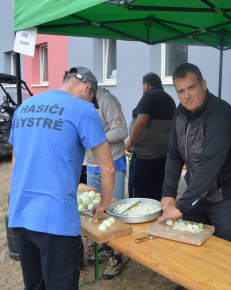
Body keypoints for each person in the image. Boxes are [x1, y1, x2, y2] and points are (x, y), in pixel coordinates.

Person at [8, 67, 115, 289]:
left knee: (35, 285)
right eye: (91, 97)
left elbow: (15, 164)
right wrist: (103, 203)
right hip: (55, 221)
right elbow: (108, 168)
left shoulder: (24, 107)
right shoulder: (84, 110)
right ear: (87, 87)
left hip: (20, 216)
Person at [159, 63, 231, 246]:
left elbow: (210, 165)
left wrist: (181, 206)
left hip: (226, 196)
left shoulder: (221, 114)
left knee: (226, 251)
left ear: (204, 85)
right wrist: (168, 193)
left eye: (191, 87)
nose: (187, 96)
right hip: (197, 194)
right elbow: (174, 154)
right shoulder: (180, 113)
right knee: (194, 246)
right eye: (181, 91)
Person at [84, 87, 129, 279]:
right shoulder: (81, 104)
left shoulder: (107, 100)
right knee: (96, 209)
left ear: (87, 88)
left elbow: (122, 130)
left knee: (114, 210)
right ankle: (104, 246)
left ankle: (117, 257)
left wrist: (97, 140)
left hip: (113, 162)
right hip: (91, 164)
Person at [125, 72, 176, 201]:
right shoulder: (169, 99)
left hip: (144, 157)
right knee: (156, 195)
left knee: (138, 196)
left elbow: (142, 120)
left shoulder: (148, 96)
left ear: (147, 85)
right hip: (162, 156)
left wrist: (130, 142)